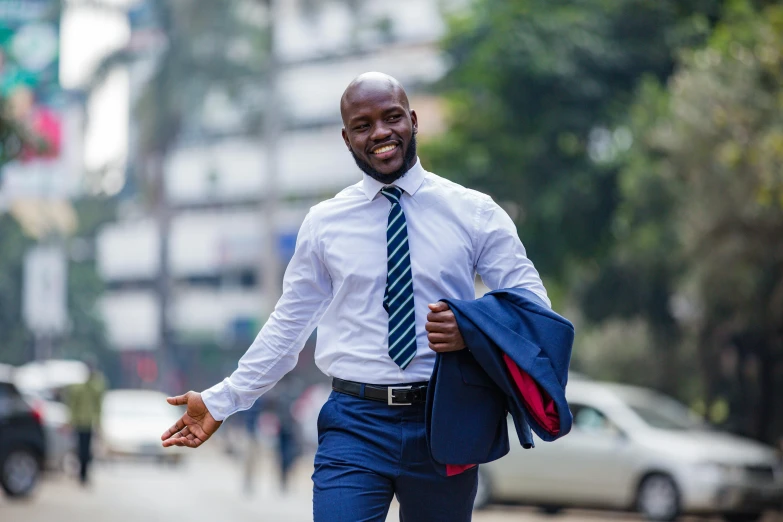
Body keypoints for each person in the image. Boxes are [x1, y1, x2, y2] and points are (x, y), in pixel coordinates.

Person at [161, 72, 550, 521]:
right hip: (355, 423)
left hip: (445, 418)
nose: (380, 133)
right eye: (363, 125)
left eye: (392, 118)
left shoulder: (474, 212)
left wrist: (472, 326)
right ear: (347, 139)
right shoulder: (325, 224)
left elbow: (532, 306)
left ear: (413, 120)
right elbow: (289, 326)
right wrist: (221, 400)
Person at [66, 357, 106, 486]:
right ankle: (80, 473)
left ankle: (84, 473)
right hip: (79, 422)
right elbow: (73, 404)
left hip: (89, 422)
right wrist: (71, 421)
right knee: (79, 449)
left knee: (87, 450)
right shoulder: (79, 386)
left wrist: (99, 422)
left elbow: (99, 404)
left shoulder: (95, 385)